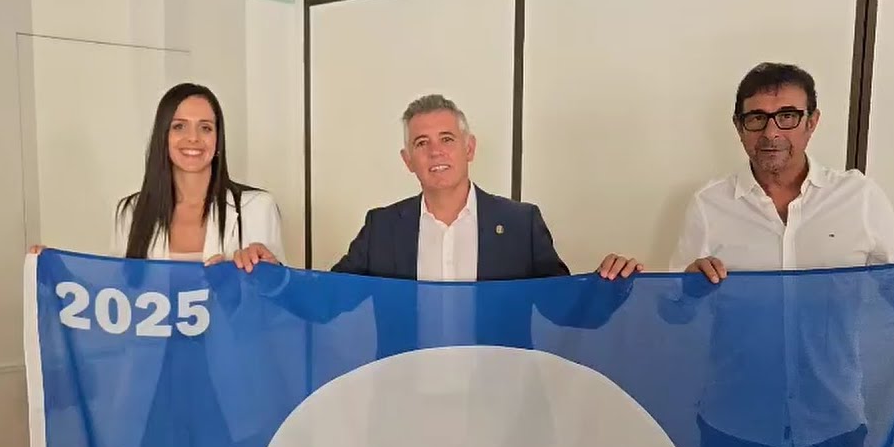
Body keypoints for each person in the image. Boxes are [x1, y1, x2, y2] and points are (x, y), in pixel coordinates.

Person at [671, 62, 894, 447]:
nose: (771, 132)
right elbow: (676, 313)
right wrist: (686, 288)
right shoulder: (709, 206)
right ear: (738, 128)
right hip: (734, 423)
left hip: (831, 422)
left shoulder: (859, 198)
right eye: (756, 119)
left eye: (787, 115)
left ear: (812, 122)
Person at [231, 93, 638, 281]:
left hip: (500, 399)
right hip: (404, 397)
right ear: (407, 160)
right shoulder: (382, 228)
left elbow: (564, 306)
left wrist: (616, 282)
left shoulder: (520, 223)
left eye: (447, 139)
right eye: (421, 143)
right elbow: (328, 299)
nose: (435, 152)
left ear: (469, 147)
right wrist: (271, 276)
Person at [28, 82, 284, 262]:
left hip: (228, 341)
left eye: (205, 128)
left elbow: (281, 305)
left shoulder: (257, 208)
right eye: (179, 127)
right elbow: (116, 293)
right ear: (163, 136)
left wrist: (268, 274)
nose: (193, 138)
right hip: (155, 342)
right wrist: (56, 269)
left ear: (218, 140)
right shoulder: (130, 211)